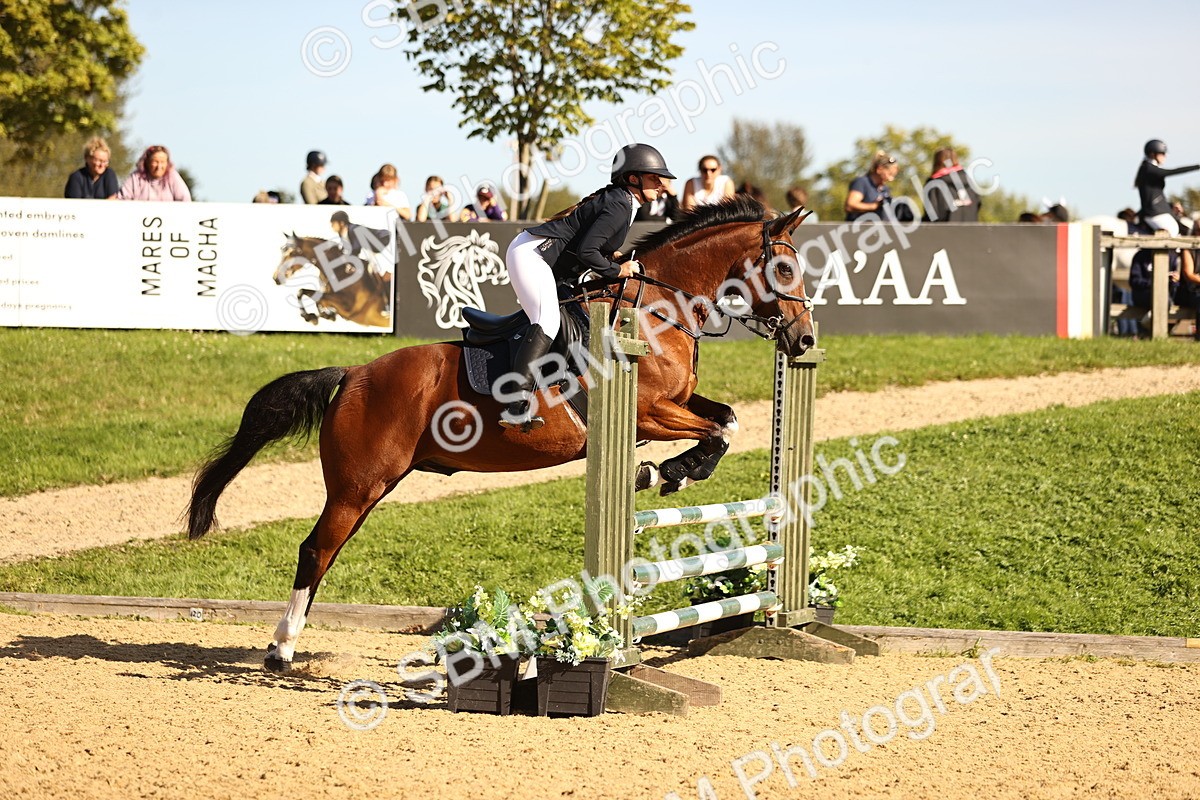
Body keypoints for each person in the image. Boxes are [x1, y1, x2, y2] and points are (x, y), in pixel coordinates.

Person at [500, 143, 675, 430]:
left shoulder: (623, 201)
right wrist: (618, 270)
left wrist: (614, 258)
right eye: (654, 178)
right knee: (547, 320)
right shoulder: (621, 203)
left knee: (572, 318)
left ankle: (557, 386)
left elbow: (592, 244)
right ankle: (515, 404)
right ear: (633, 178)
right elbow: (587, 252)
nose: (662, 185)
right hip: (532, 255)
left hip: (541, 257)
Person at [1134, 140, 1199, 235]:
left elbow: (1157, 196)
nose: (1165, 156)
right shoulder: (1148, 168)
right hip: (1154, 213)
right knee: (1172, 229)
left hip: (1160, 210)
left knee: (1184, 228)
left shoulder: (1149, 168)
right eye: (1162, 153)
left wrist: (1171, 205)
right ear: (1152, 154)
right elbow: (1171, 172)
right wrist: (1197, 167)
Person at [922, 148, 980, 222]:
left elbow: (931, 215)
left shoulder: (933, 184)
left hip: (943, 229)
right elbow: (978, 205)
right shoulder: (970, 182)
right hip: (971, 228)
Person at [115, 145, 191, 201]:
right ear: (147, 162)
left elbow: (185, 199)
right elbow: (122, 198)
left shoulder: (172, 176)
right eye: (155, 162)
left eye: (162, 162)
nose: (159, 166)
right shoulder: (136, 177)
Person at [845, 151, 898, 221]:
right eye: (889, 174)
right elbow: (850, 206)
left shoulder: (885, 189)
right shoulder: (862, 182)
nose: (891, 179)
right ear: (879, 169)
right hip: (859, 226)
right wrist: (874, 206)